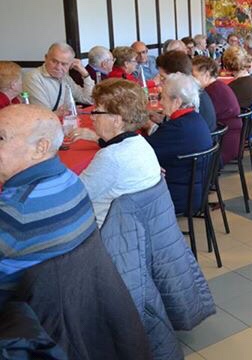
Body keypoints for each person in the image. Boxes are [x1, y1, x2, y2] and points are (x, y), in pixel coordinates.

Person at [0, 104, 96, 304]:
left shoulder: (16, 214)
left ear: (40, 148)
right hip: (66, 300)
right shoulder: (69, 178)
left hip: (17, 312)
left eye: (1, 138)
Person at [72, 79, 162, 227]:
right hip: (139, 225)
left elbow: (75, 197)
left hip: (108, 231)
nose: (92, 117)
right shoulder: (141, 143)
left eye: (96, 111)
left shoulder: (111, 157)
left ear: (116, 120)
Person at [146, 73, 213, 215]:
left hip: (179, 195)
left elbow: (142, 151)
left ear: (177, 102)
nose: (161, 102)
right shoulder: (194, 118)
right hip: (196, 189)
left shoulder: (177, 128)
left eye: (163, 97)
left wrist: (148, 125)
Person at [192, 56, 243, 164]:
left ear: (206, 75)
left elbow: (202, 121)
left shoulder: (211, 91)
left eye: (194, 76)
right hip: (229, 140)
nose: (191, 80)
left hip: (222, 147)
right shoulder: (218, 86)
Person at [24, 43, 94, 111]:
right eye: (54, 61)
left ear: (70, 64)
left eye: (64, 64)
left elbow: (89, 99)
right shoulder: (34, 78)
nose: (58, 67)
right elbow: (44, 114)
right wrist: (66, 112)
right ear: (46, 58)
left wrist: (85, 74)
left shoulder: (65, 78)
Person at [156, 51, 216, 131]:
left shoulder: (189, 99)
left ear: (176, 77)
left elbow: (176, 131)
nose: (159, 83)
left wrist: (151, 126)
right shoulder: (192, 90)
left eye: (163, 78)